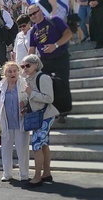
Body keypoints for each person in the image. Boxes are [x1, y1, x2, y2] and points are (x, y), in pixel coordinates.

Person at [28, 4, 73, 123]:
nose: (33, 16)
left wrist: (56, 45)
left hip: (60, 57)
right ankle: (52, 111)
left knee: (62, 83)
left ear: (40, 11)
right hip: (45, 61)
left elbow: (68, 34)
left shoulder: (54, 20)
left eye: (35, 12)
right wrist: (28, 64)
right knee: (47, 85)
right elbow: (31, 50)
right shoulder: (33, 31)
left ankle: (63, 112)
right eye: (30, 15)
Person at [21, 54, 59, 186]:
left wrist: (31, 93)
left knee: (36, 145)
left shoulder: (43, 77)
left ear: (36, 65)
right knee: (43, 145)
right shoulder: (29, 79)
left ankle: (37, 176)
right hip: (38, 116)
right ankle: (46, 173)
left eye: (27, 65)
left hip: (45, 115)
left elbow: (49, 98)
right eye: (23, 66)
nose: (24, 68)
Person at [0, 61, 31, 181]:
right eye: (9, 71)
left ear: (18, 72)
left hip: (21, 121)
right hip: (5, 122)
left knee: (22, 149)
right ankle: (7, 174)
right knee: (6, 149)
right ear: (5, 73)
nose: (12, 73)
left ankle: (24, 174)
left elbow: (30, 99)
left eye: (15, 71)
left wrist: (26, 107)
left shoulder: (24, 83)